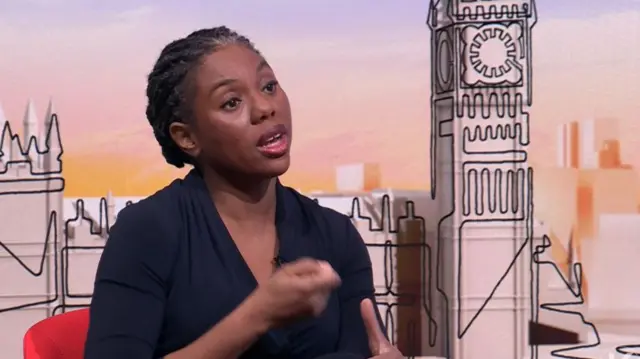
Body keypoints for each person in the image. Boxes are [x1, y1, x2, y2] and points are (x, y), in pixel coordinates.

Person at [84, 26, 403, 359]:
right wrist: (257, 315)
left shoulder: (335, 235)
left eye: (269, 86)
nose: (265, 108)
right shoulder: (147, 230)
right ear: (187, 137)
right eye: (231, 102)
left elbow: (362, 349)